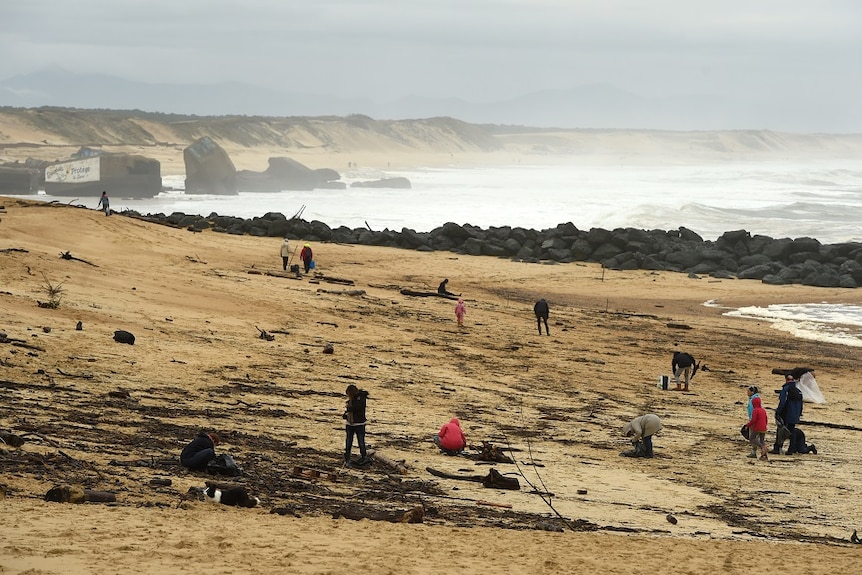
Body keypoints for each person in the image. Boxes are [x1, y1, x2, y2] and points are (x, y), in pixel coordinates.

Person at [772, 374, 804, 454]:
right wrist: (799, 414)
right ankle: (791, 449)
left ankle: (777, 448)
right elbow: (801, 405)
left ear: (786, 380)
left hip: (786, 414)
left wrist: (778, 412)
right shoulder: (798, 391)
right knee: (792, 431)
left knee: (781, 430)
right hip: (795, 415)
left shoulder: (786, 389)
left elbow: (782, 402)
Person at [343, 384, 370, 467]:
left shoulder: (361, 398)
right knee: (349, 441)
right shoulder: (353, 400)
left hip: (359, 423)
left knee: (360, 441)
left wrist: (348, 408)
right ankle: (347, 457)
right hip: (350, 423)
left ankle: (364, 457)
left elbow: (358, 407)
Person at [744, 396, 770, 460]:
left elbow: (753, 420)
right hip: (764, 427)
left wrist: (748, 425)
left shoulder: (755, 410)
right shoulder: (763, 410)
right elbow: (766, 419)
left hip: (757, 427)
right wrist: (765, 425)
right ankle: (764, 455)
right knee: (762, 440)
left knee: (752, 438)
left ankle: (762, 447)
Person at [744, 385, 761, 457]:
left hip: (754, 421)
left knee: (753, 437)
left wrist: (751, 422)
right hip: (757, 420)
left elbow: (752, 411)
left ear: (752, 392)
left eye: (748, 391)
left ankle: (756, 451)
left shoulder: (753, 400)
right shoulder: (755, 398)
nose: (747, 392)